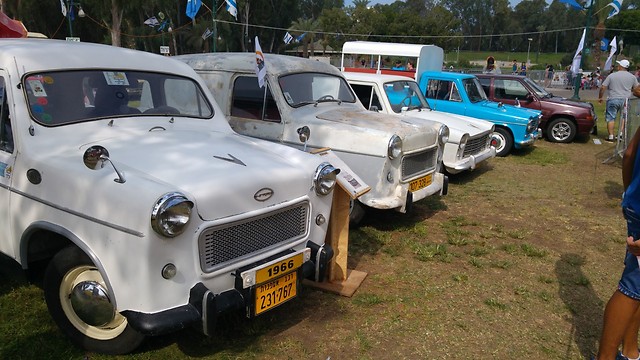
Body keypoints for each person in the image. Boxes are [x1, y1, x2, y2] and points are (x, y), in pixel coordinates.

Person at [595, 123, 640, 360]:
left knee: (637, 285)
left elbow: (630, 153)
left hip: (635, 204)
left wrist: (629, 193)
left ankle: (631, 352)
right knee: (632, 287)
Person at [598, 59, 640, 142]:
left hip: (613, 98)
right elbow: (636, 88)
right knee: (624, 117)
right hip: (626, 100)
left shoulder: (612, 76)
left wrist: (600, 97)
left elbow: (603, 87)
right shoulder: (632, 77)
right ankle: (620, 134)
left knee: (611, 117)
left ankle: (611, 135)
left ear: (620, 66)